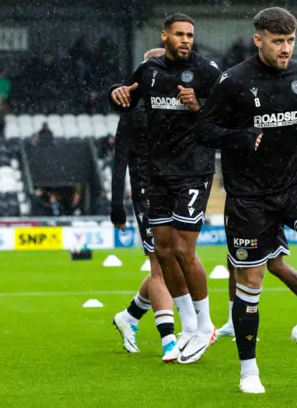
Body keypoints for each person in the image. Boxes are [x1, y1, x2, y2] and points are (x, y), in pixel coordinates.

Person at [195, 7, 297, 394]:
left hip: (292, 184)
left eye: (290, 41)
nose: (286, 49)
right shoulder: (233, 81)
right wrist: (239, 137)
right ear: (259, 40)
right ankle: (249, 371)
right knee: (251, 284)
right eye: (278, 41)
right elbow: (203, 129)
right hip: (249, 197)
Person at [109, 13, 222, 365]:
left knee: (185, 251)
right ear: (165, 36)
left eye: (190, 34)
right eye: (180, 34)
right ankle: (188, 324)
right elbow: (123, 98)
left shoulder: (207, 73)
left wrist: (198, 107)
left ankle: (205, 325)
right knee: (163, 250)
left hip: (193, 171)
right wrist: (116, 94)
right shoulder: (149, 71)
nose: (186, 39)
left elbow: (228, 120)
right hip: (157, 174)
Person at [111, 47, 184, 362]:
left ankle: (129, 317)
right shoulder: (133, 109)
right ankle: (169, 339)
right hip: (147, 193)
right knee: (160, 264)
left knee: (176, 263)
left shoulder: (178, 107)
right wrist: (117, 205)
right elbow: (119, 160)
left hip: (177, 189)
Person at [215, 227, 297, 339]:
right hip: (244, 213)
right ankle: (233, 323)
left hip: (263, 214)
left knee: (275, 265)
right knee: (234, 259)